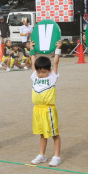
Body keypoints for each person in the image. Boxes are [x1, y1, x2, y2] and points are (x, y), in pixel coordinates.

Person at [28, 39, 63, 167]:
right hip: (37, 109)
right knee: (42, 133)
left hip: (49, 109)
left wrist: (58, 49)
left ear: (48, 70)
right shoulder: (35, 76)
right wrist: (32, 49)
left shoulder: (52, 77)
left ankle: (56, 156)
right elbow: (33, 62)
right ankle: (42, 155)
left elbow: (55, 62)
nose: (41, 74)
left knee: (54, 133)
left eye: (43, 72)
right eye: (39, 72)